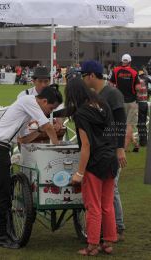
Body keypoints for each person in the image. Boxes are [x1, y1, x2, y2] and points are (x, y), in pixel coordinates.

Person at [51, 59, 127, 242]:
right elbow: (77, 109)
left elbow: (120, 123)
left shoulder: (112, 94)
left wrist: (120, 149)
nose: (82, 79)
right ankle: (109, 237)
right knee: (106, 200)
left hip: (103, 154)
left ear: (92, 75)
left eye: (83, 75)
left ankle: (117, 228)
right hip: (106, 153)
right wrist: (56, 114)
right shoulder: (97, 97)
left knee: (103, 199)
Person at [0, 86, 62, 249]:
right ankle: (2, 236)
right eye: (51, 108)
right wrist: (58, 148)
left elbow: (24, 140)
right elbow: (48, 126)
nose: (49, 112)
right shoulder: (28, 101)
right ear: (45, 101)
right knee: (2, 193)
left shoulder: (26, 109)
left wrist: (38, 131)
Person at [67, 78, 118, 256]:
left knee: (93, 206)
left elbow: (86, 145)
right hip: (111, 159)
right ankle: (109, 242)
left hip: (95, 163)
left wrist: (79, 174)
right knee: (107, 204)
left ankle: (92, 246)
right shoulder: (103, 104)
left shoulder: (81, 113)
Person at [110, 54, 141, 153]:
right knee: (130, 125)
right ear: (130, 62)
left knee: (121, 124)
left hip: (119, 101)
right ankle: (126, 148)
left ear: (122, 61)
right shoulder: (134, 72)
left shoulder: (116, 70)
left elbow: (111, 84)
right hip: (131, 101)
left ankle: (132, 142)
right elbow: (138, 88)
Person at [17, 66, 64, 131]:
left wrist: (59, 123)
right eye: (40, 81)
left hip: (48, 130)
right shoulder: (24, 94)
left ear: (49, 81)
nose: (43, 85)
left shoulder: (54, 95)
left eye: (46, 81)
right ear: (34, 81)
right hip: (28, 130)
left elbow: (60, 113)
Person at [137, 71, 149, 147]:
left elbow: (136, 94)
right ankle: (144, 141)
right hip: (145, 103)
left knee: (140, 124)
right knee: (143, 123)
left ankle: (142, 142)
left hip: (140, 104)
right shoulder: (143, 81)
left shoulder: (138, 83)